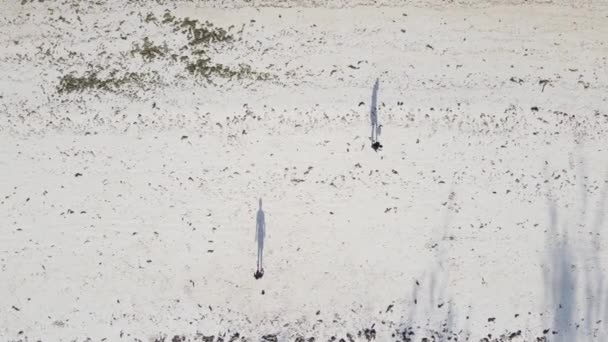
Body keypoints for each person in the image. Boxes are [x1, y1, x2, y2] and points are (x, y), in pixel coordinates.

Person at [255, 198, 266, 278]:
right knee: (260, 249)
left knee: (260, 249)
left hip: (260, 231)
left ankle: (259, 266)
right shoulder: (260, 213)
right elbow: (260, 223)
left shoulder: (260, 213)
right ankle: (259, 266)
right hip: (260, 231)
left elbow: (261, 223)